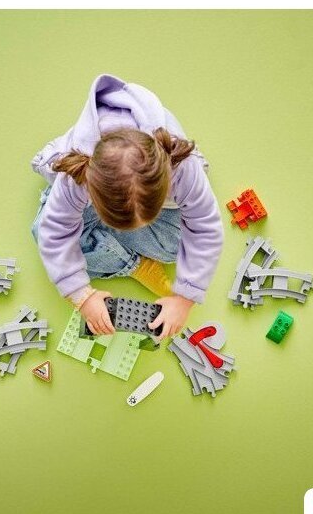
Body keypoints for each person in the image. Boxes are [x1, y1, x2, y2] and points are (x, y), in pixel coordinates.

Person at [30, 74, 223, 338]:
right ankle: (134, 264)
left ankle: (107, 246)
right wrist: (82, 296)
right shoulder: (78, 176)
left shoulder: (183, 168)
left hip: (161, 196)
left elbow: (206, 227)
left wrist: (185, 298)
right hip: (85, 189)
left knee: (178, 247)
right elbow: (54, 232)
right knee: (42, 232)